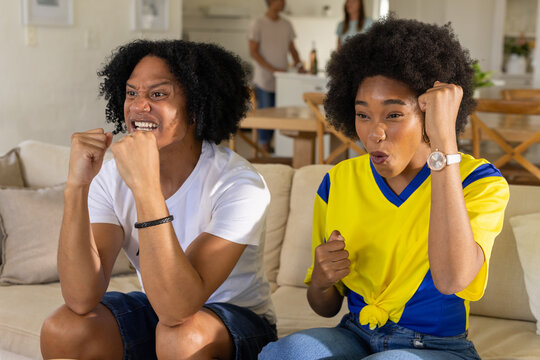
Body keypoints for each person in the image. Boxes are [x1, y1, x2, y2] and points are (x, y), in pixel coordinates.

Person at [259, 16, 509, 359]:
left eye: (393, 115)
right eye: (363, 115)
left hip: (438, 346)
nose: (374, 133)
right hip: (355, 334)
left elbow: (454, 280)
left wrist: (444, 145)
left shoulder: (478, 182)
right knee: (284, 353)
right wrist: (320, 279)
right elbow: (325, 307)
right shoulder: (338, 182)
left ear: (428, 114)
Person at [40, 39, 277, 360]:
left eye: (158, 94)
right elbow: (81, 298)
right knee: (65, 328)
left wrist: (146, 188)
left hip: (237, 321)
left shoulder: (239, 184)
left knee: (180, 336)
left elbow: (178, 309)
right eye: (131, 93)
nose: (139, 106)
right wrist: (77, 186)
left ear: (196, 106)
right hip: (163, 306)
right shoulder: (111, 178)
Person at [248, 0, 306, 154]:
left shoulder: (286, 25)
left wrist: (300, 66)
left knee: (281, 114)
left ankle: (276, 148)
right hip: (263, 78)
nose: (284, 2)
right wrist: (272, 69)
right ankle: (263, 147)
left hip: (283, 80)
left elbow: (293, 49)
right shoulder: (258, 23)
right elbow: (253, 51)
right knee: (266, 112)